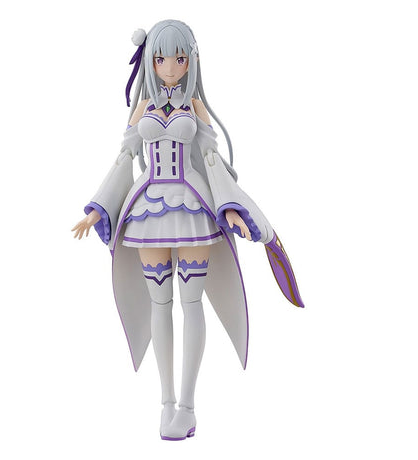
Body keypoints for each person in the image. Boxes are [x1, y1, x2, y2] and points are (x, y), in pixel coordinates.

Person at [72, 19, 304, 441]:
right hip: (148, 209)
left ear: (191, 60)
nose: (170, 67)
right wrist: (97, 207)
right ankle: (165, 402)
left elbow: (211, 160)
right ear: (150, 61)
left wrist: (230, 207)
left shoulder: (195, 107)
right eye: (161, 58)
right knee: (160, 305)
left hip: (193, 206)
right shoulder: (143, 107)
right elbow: (124, 159)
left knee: (192, 303)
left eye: (179, 58)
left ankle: (188, 406)